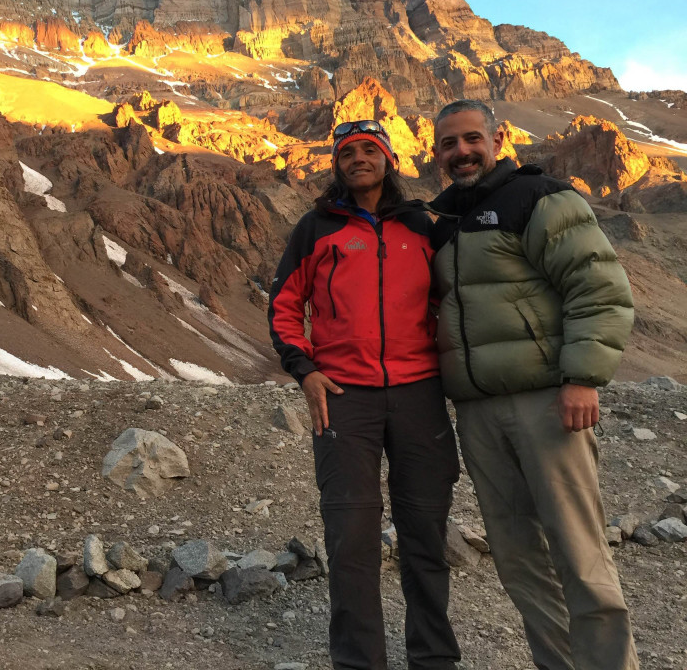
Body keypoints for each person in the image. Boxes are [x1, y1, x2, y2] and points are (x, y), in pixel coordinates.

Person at [429, 99, 638, 670]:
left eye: (472, 139)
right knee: (518, 560)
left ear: (497, 139)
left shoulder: (540, 197)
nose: (461, 152)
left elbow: (597, 287)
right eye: (449, 144)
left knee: (579, 553)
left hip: (547, 404)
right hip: (477, 414)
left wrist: (581, 378)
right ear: (436, 152)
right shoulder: (441, 219)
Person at [269, 120, 462, 670]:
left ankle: (434, 660)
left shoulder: (424, 226)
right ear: (336, 163)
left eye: (368, 151)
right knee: (350, 539)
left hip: (419, 393)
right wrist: (304, 369)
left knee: (425, 534)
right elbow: (284, 305)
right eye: (347, 152)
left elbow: (457, 297)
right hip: (342, 397)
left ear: (388, 159)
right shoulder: (316, 228)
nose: (357, 159)